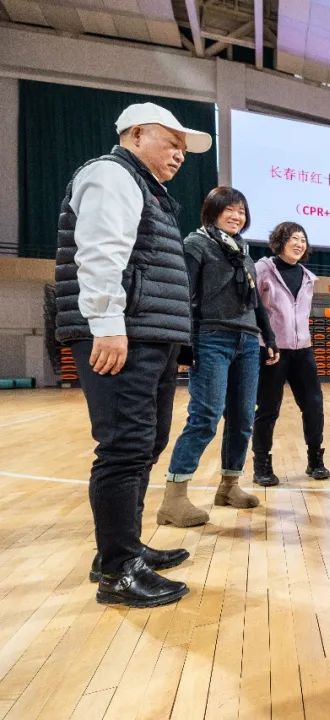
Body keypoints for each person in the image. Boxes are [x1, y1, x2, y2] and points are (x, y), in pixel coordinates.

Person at [54, 102, 212, 607]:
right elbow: (100, 252)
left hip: (148, 333)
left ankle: (122, 549)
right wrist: (106, 325)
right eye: (173, 143)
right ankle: (118, 572)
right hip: (123, 333)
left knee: (146, 442)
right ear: (136, 134)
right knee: (124, 447)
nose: (180, 155)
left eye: (184, 149)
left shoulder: (149, 190)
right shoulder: (111, 175)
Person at [156, 186, 279, 526]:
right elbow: (183, 295)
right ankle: (174, 499)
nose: (237, 216)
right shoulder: (196, 245)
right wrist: (184, 343)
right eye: (230, 209)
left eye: (241, 210)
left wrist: (268, 337)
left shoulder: (243, 252)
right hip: (211, 337)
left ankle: (229, 486)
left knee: (243, 418)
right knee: (205, 416)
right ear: (212, 211)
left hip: (247, 341)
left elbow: (255, 303)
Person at [251, 221, 330, 486]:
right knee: (267, 409)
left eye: (303, 239)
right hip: (271, 349)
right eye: (294, 238)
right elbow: (253, 308)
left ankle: (315, 460)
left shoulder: (308, 277)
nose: (299, 244)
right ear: (280, 240)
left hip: (303, 351)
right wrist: (265, 340)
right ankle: (262, 464)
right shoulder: (262, 269)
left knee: (314, 406)